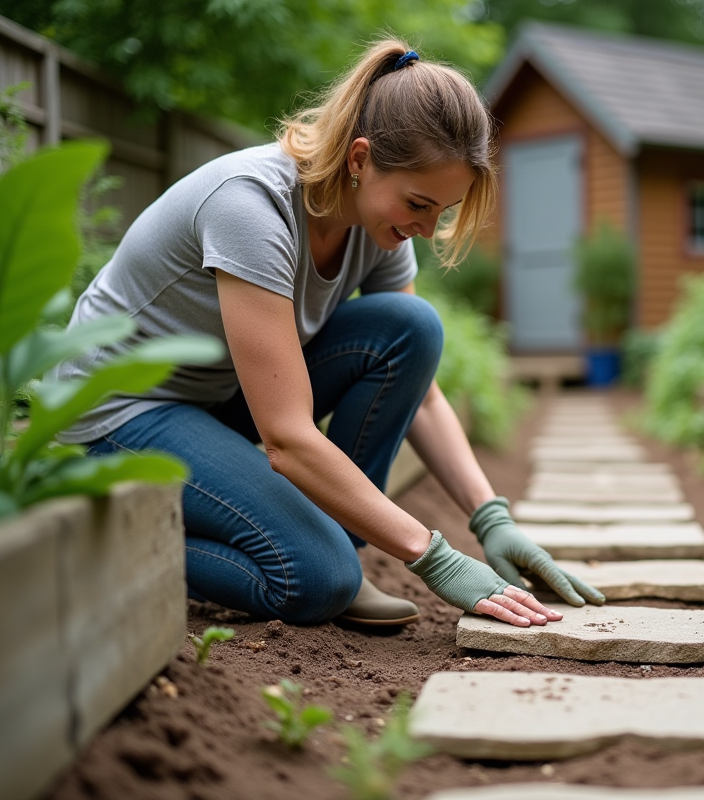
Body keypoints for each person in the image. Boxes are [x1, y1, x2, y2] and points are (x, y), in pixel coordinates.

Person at [54, 39, 605, 628]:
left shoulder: (378, 224)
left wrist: (492, 518)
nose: (425, 227)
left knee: (411, 328)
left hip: (217, 400)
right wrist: (435, 558)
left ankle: (332, 544)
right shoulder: (251, 206)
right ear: (360, 159)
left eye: (442, 211)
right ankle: (130, 550)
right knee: (316, 580)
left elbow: (421, 389)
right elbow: (287, 436)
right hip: (122, 412)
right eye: (419, 203)